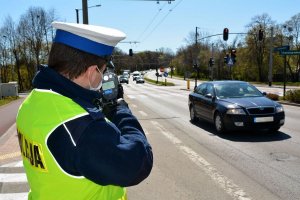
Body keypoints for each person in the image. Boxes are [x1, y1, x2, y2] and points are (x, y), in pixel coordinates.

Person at [16, 21, 153, 200]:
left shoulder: (31, 104)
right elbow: (138, 162)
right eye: (102, 72)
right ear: (91, 71)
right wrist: (120, 111)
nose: (103, 79)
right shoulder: (83, 128)